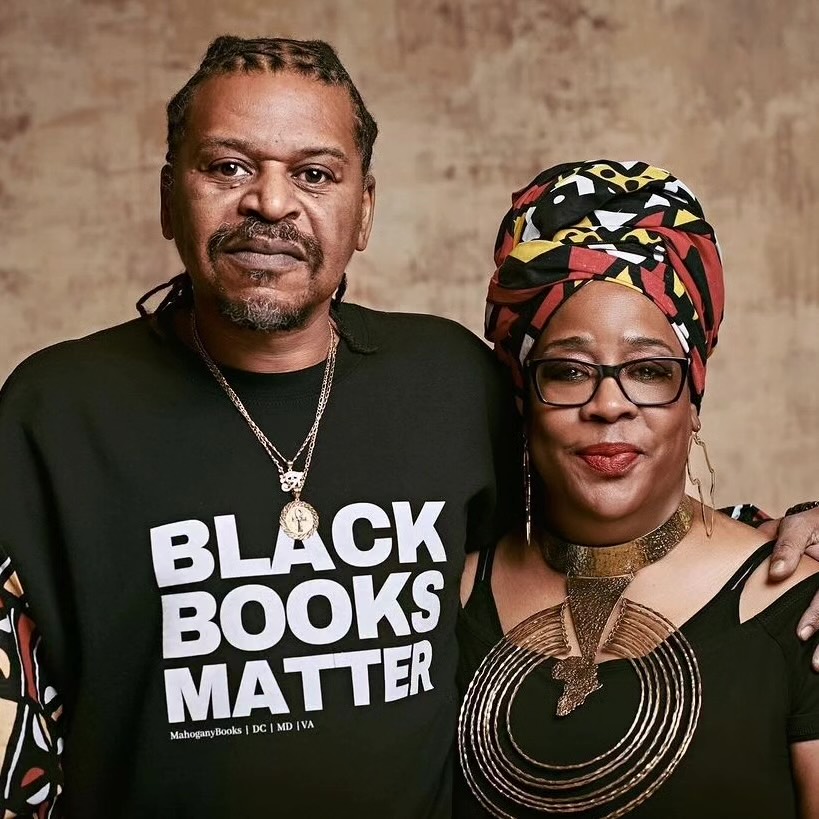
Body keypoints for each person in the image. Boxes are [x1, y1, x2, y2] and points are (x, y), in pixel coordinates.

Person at [0, 37, 817, 818]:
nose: (271, 202)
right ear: (168, 193)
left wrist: (776, 542)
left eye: (314, 173)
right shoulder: (55, 410)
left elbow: (597, 491)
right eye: (229, 166)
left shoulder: (449, 382)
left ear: (364, 210)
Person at [457, 160, 819, 818]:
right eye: (567, 370)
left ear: (693, 396)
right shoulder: (436, 604)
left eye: (649, 370)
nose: (607, 404)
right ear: (522, 392)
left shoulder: (797, 606)